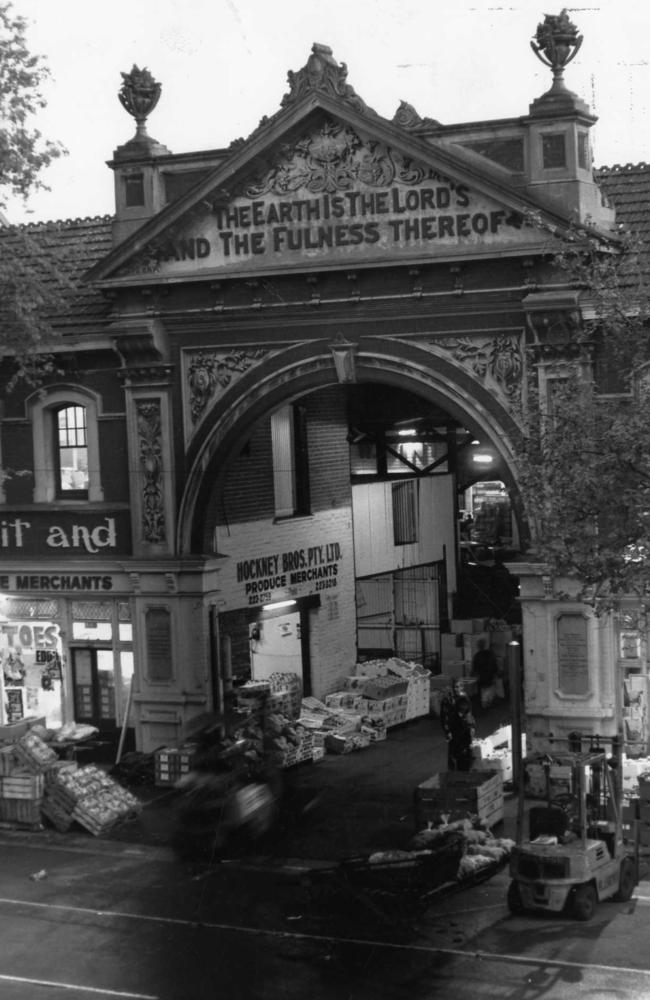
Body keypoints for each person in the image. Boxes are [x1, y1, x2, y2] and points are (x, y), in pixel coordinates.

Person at [440, 684, 475, 771]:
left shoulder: (464, 699)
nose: (457, 689)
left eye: (459, 687)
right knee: (455, 757)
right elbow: (444, 718)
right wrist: (447, 732)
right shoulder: (448, 701)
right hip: (456, 739)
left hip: (464, 740)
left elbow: (470, 720)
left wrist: (471, 729)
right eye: (455, 687)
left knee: (464, 760)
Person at [471, 638, 499, 710]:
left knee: (483, 690)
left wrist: (473, 675)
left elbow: (474, 668)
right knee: (489, 689)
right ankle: (488, 702)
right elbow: (494, 664)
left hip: (482, 677)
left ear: (478, 646)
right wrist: (495, 673)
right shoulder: (490, 654)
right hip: (489, 675)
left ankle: (485, 703)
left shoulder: (477, 656)